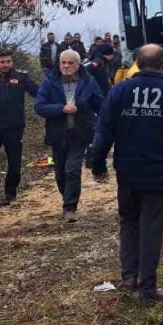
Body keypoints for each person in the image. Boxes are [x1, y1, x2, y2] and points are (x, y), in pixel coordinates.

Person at [89, 44, 163, 304]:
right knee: (151, 227)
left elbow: (104, 130)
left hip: (127, 170)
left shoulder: (119, 90)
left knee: (129, 221)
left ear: (137, 63)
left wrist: (98, 165)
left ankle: (129, 277)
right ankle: (147, 290)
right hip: (158, 170)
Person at [35, 49, 104, 221]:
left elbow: (100, 104)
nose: (66, 66)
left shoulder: (88, 81)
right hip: (58, 134)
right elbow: (40, 106)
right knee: (60, 174)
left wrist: (105, 125)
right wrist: (60, 108)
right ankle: (67, 197)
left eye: (70, 63)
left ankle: (70, 207)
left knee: (72, 170)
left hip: (80, 133)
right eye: (63, 62)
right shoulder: (49, 82)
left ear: (78, 64)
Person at [0, 48, 39, 209]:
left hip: (14, 126)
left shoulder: (21, 77)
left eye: (8, 61)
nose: (6, 65)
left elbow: (37, 92)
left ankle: (10, 193)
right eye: (2, 62)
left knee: (14, 162)